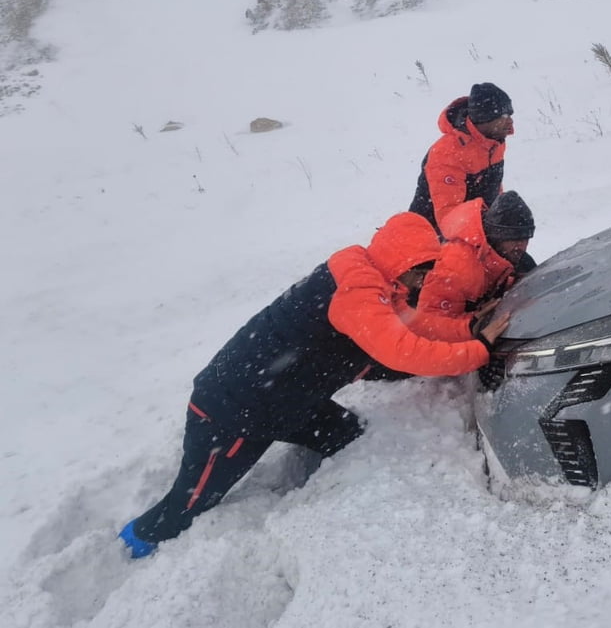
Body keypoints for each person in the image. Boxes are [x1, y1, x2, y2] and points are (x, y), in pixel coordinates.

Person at [117, 211, 513, 559]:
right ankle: (133, 542)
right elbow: (401, 350)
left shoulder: (375, 279)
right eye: (421, 269)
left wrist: (467, 327)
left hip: (289, 400)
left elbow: (412, 323)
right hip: (236, 410)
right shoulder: (356, 291)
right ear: (402, 259)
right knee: (190, 503)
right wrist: (476, 351)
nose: (424, 279)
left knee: (347, 435)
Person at [407, 190, 536, 342]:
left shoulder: (516, 259)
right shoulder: (456, 266)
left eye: (526, 238)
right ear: (497, 235)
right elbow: (430, 328)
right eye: (515, 239)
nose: (521, 246)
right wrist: (477, 324)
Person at [408, 83, 515, 236]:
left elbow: (494, 189)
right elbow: (448, 218)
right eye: (504, 116)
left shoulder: (495, 142)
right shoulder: (447, 153)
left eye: (510, 115)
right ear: (484, 119)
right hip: (431, 239)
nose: (510, 122)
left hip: (474, 227)